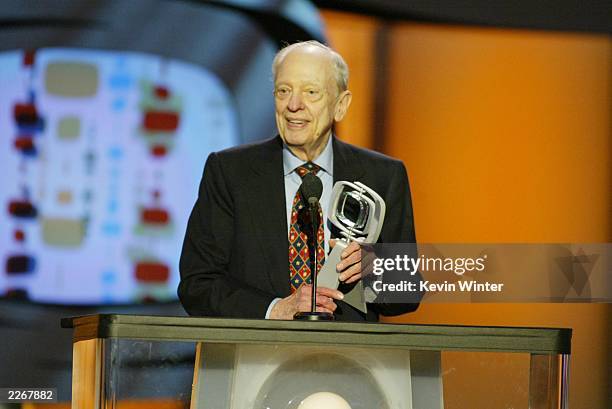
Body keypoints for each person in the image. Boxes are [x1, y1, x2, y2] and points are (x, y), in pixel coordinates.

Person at [179, 40, 418, 321]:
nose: (293, 105)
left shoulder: (383, 176)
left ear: (341, 105)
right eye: (284, 91)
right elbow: (198, 285)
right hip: (256, 356)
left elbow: (408, 293)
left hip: (348, 360)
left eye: (311, 92)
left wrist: (374, 272)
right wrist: (276, 309)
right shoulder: (229, 172)